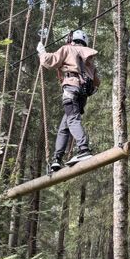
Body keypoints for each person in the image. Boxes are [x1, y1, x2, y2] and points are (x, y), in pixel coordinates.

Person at [37, 29, 100, 173]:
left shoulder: (67, 49)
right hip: (82, 94)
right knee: (64, 126)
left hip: (71, 89)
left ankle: (84, 149)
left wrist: (42, 52)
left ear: (72, 40)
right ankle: (57, 159)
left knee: (72, 120)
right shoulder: (89, 58)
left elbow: (50, 61)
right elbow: (97, 82)